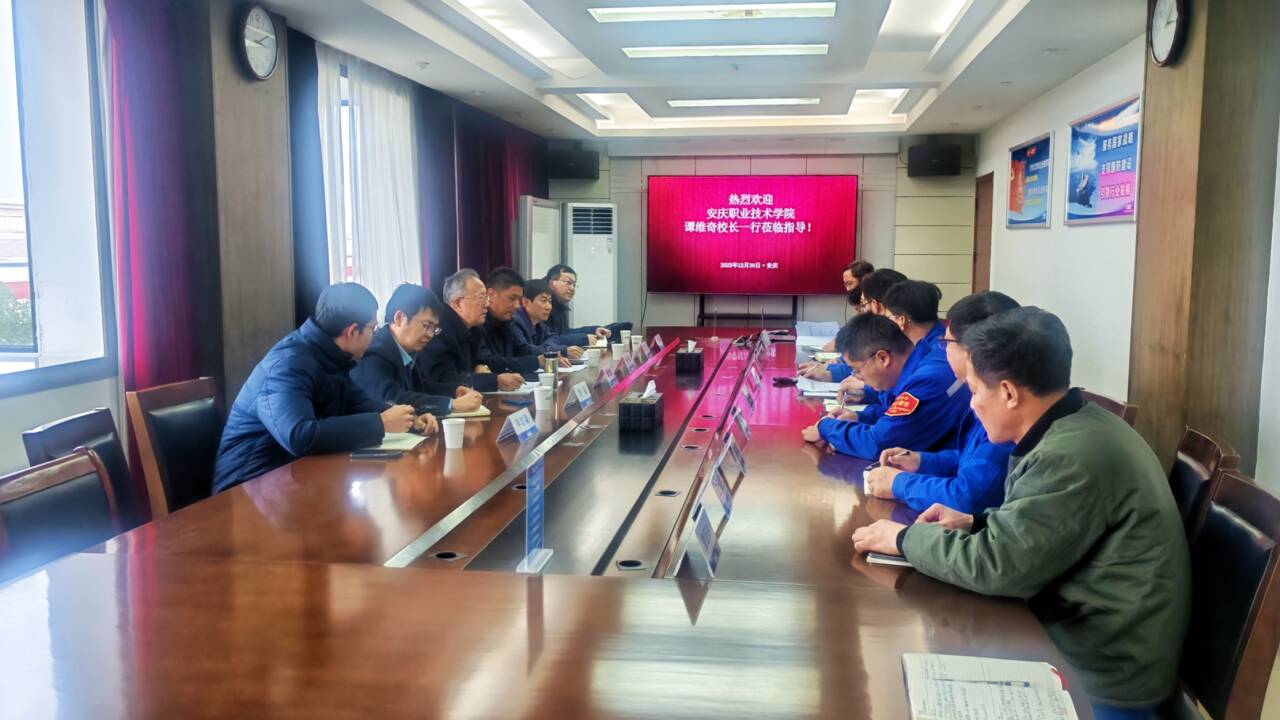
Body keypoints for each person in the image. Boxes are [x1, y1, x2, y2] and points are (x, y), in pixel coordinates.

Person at [852, 308, 1190, 719]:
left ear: (1009, 393)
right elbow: (1043, 530)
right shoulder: (1075, 425)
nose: (972, 404)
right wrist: (976, 523)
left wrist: (903, 538)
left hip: (1101, 672)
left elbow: (999, 567)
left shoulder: (1070, 456)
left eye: (975, 391)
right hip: (1085, 635)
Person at [213, 283, 431, 493]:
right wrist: (381, 423)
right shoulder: (288, 365)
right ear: (352, 331)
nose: (374, 336)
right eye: (372, 329)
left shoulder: (331, 357)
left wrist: (410, 419)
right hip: (247, 489)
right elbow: (300, 435)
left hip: (293, 480)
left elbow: (358, 402)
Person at [863, 291, 1019, 514]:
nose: (943, 351)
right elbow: (969, 459)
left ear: (973, 349)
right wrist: (920, 461)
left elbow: (970, 497)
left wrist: (899, 484)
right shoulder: (987, 392)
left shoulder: (1002, 405)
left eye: (946, 343)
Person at [803, 313, 968, 459]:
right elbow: (904, 417)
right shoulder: (923, 358)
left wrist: (826, 427)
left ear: (883, 358)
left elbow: (878, 443)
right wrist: (860, 417)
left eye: (857, 370)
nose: (857, 377)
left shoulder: (926, 381)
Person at [350, 283, 485, 418]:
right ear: (399, 318)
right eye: (426, 326)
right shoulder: (375, 354)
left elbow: (419, 388)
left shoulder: (405, 350)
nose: (430, 334)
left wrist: (454, 391)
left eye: (434, 329)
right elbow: (391, 398)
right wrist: (452, 405)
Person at [418, 269, 525, 392]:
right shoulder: (439, 327)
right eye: (481, 298)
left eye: (486, 298)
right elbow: (443, 379)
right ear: (458, 304)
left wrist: (481, 365)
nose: (487, 304)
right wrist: (495, 381)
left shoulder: (474, 328)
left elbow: (482, 361)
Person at [804, 267, 908, 383]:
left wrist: (833, 373)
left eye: (863, 304)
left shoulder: (897, 335)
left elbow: (883, 376)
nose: (848, 289)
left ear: (875, 305)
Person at [477, 267, 565, 374]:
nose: (517, 306)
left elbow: (521, 351)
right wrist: (536, 361)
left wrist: (548, 356)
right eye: (512, 298)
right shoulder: (477, 324)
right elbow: (489, 362)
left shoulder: (507, 322)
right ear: (491, 294)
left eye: (518, 300)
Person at [544, 263, 618, 346]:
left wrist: (594, 330)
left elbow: (565, 333)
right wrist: (584, 339)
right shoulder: (542, 306)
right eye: (568, 283)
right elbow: (548, 340)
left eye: (574, 284)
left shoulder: (559, 305)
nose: (572, 288)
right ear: (552, 283)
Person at [512, 278, 585, 359]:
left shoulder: (539, 323)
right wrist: (559, 351)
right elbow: (525, 351)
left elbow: (553, 337)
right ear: (526, 302)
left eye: (550, 301)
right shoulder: (514, 322)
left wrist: (547, 349)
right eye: (543, 301)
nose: (548, 307)